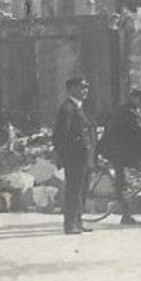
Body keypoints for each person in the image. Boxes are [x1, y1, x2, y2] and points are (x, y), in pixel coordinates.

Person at [52, 74, 98, 234]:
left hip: (86, 158)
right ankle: (70, 224)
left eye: (86, 87)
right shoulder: (67, 109)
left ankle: (78, 221)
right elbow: (60, 135)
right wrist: (62, 156)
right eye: (82, 87)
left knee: (82, 190)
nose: (85, 90)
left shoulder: (79, 108)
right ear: (72, 89)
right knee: (74, 190)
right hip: (75, 158)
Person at [98, 86, 141, 225]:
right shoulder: (129, 112)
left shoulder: (127, 109)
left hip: (119, 150)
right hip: (119, 152)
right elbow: (139, 131)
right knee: (123, 182)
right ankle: (126, 215)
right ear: (134, 98)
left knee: (125, 181)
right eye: (140, 99)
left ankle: (126, 212)